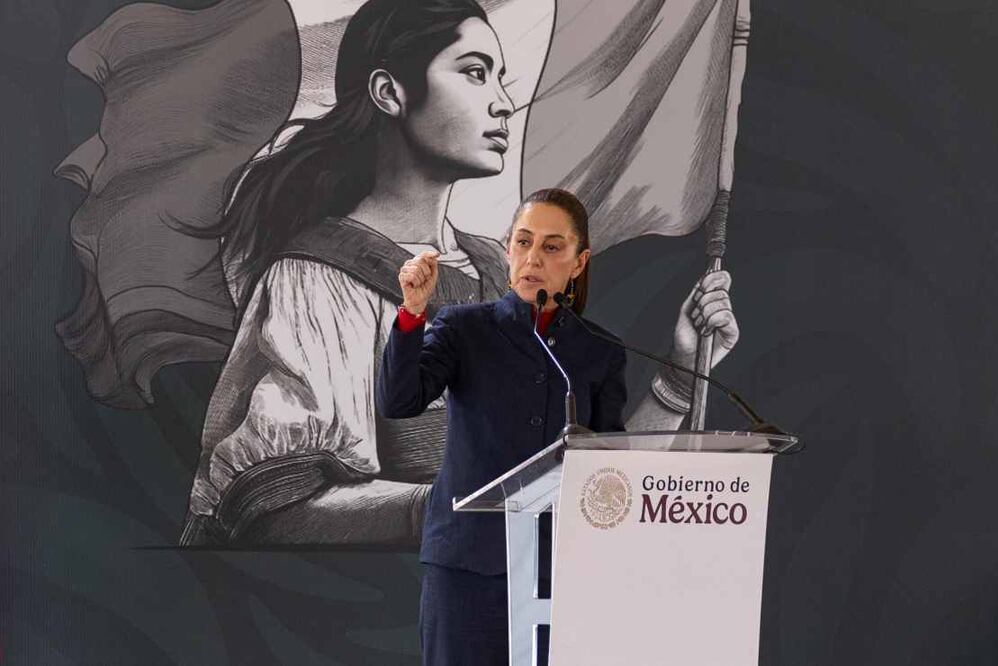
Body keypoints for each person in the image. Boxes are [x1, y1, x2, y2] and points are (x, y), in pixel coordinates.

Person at [180, 0, 515, 545]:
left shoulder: (499, 269)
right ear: (389, 93)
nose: (504, 103)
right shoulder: (321, 278)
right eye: (475, 73)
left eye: (500, 79)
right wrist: (450, 505)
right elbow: (278, 507)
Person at [378, 187, 740, 665]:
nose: (533, 258)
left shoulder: (599, 351)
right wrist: (411, 313)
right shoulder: (462, 328)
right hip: (466, 571)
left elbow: (615, 473)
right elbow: (399, 400)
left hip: (563, 574)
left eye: (552, 247)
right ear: (508, 250)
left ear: (579, 262)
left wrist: (686, 363)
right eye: (523, 242)